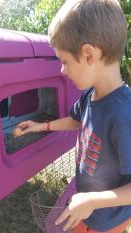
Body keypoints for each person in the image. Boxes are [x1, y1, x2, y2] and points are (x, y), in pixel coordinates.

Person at [14, 0, 131, 232]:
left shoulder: (124, 116)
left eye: (64, 62)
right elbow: (76, 121)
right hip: (84, 207)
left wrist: (93, 201)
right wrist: (42, 126)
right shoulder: (91, 95)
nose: (62, 70)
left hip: (108, 222)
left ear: (88, 54)